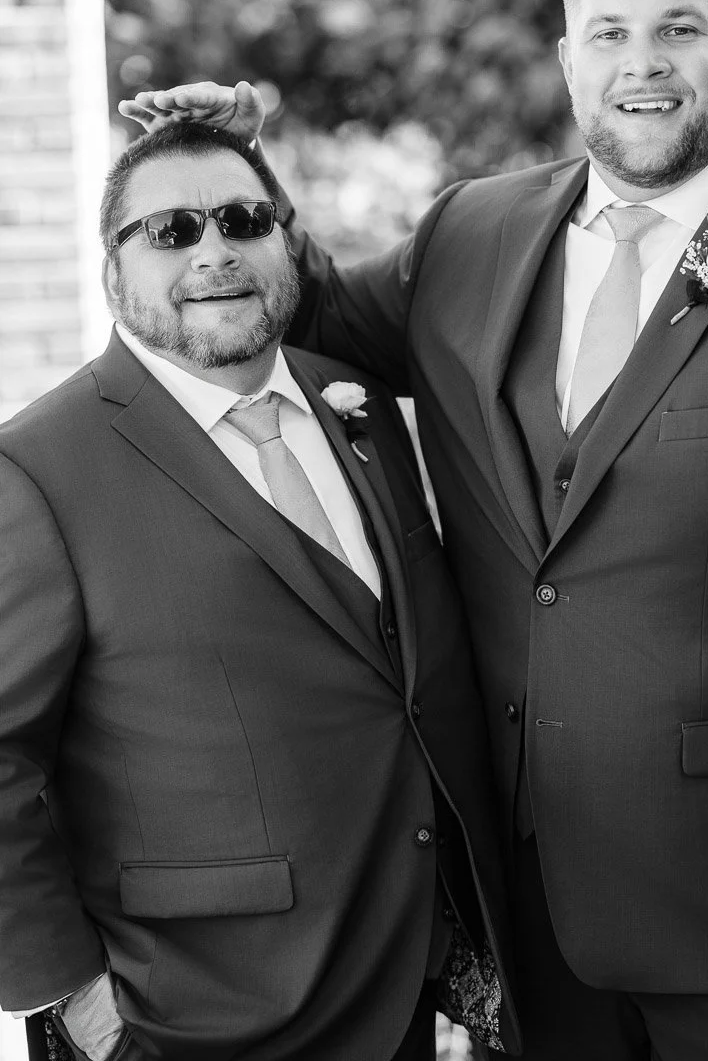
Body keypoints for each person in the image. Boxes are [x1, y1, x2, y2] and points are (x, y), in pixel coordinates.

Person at [122, 0, 708, 1061]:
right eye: (607, 34)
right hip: (524, 914)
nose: (639, 64)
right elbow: (305, 314)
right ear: (567, 58)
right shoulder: (471, 234)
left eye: (677, 30)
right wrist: (242, 177)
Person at [0, 122, 523, 1061]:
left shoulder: (359, 405)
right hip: (190, 1012)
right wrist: (71, 998)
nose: (214, 251)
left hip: (403, 981)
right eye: (170, 230)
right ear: (113, 272)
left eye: (244, 220)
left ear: (283, 241)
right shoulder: (35, 470)